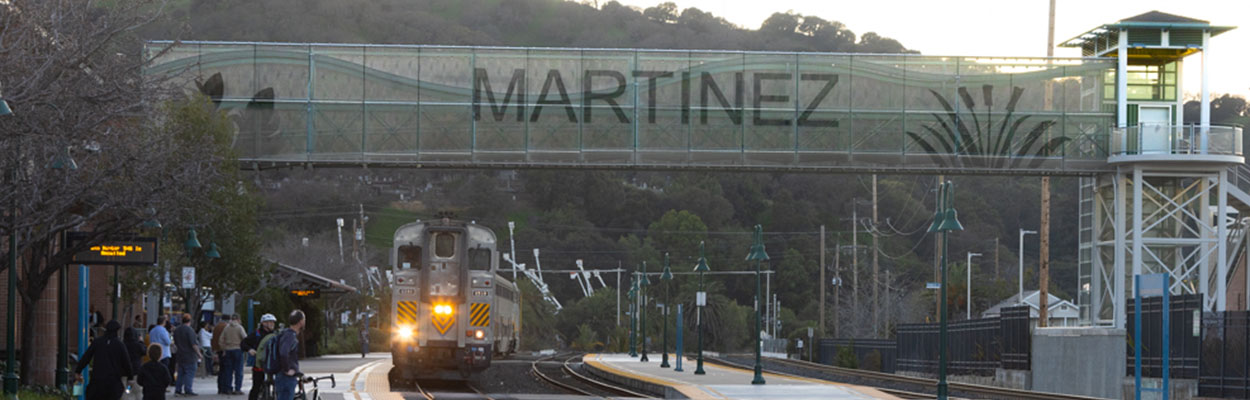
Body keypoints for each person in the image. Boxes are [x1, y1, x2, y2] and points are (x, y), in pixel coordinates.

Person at [75, 320, 135, 400]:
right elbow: (127, 362)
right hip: (113, 384)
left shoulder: (97, 342)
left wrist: (78, 370)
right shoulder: (120, 345)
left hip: (97, 383)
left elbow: (86, 357)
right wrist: (130, 377)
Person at [242, 314, 277, 400]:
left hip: (272, 364)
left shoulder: (275, 334)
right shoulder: (256, 334)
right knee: (256, 386)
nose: (272, 324)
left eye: (273, 322)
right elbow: (243, 343)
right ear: (264, 323)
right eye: (270, 322)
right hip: (259, 364)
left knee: (277, 385)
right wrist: (250, 349)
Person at [273, 311, 304, 400]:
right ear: (300, 322)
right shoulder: (290, 336)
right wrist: (287, 369)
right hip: (286, 377)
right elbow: (283, 353)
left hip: (283, 376)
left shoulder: (286, 334)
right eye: (304, 319)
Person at [172, 313, 201, 396]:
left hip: (180, 355)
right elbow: (194, 345)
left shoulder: (177, 330)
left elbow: (175, 343)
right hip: (190, 356)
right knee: (189, 373)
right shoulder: (190, 330)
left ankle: (178, 389)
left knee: (180, 373)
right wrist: (199, 354)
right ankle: (188, 389)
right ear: (190, 321)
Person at [219, 314, 248, 395]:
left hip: (228, 350)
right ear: (238, 319)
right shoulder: (239, 328)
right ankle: (237, 388)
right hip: (238, 350)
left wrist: (223, 348)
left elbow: (221, 340)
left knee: (228, 371)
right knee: (238, 371)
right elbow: (245, 338)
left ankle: (228, 388)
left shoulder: (226, 328)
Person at [148, 315, 173, 386]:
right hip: (164, 353)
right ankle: (163, 385)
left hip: (153, 352)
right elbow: (168, 342)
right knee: (164, 370)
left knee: (155, 371)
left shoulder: (152, 330)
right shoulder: (163, 331)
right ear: (164, 322)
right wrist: (171, 337)